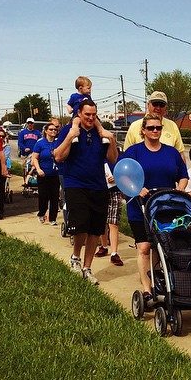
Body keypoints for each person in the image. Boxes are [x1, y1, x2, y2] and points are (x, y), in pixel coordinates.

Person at [117, 112, 188, 309]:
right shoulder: (134, 152)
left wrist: (180, 188)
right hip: (139, 207)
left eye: (158, 128)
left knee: (162, 246)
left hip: (165, 207)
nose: (155, 131)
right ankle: (147, 289)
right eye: (151, 128)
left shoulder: (171, 153)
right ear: (143, 130)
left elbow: (183, 175)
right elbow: (121, 175)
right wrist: (136, 188)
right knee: (145, 247)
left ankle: (160, 283)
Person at [54, 100, 118, 285]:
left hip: (99, 186)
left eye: (93, 115)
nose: (90, 118)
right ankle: (75, 258)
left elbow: (113, 158)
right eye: (87, 114)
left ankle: (87, 268)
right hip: (75, 184)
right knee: (80, 225)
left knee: (95, 229)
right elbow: (58, 156)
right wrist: (70, 136)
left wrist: (111, 139)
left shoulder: (101, 134)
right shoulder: (70, 131)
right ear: (79, 114)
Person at [123, 91, 185, 161]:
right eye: (155, 104)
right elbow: (127, 157)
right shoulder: (135, 126)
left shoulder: (173, 126)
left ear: (166, 108)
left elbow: (180, 154)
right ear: (148, 105)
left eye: (161, 105)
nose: (158, 108)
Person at [94, 162, 125, 266]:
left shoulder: (117, 158)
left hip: (114, 192)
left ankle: (114, 253)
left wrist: (118, 178)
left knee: (113, 223)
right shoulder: (97, 155)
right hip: (99, 191)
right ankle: (104, 246)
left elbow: (125, 172)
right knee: (102, 221)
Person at [31, 123, 61, 226]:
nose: (53, 131)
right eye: (51, 129)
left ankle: (53, 218)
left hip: (55, 174)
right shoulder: (40, 143)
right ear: (46, 131)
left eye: (55, 130)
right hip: (43, 173)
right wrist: (38, 169)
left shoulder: (58, 143)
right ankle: (42, 213)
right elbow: (34, 158)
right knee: (43, 196)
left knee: (54, 197)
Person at [66, 76, 108, 144]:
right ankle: (74, 135)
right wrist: (70, 109)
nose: (90, 90)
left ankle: (102, 134)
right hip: (77, 115)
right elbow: (68, 104)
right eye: (88, 88)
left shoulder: (88, 97)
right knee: (75, 123)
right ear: (80, 88)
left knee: (97, 122)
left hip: (87, 116)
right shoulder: (74, 96)